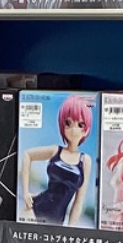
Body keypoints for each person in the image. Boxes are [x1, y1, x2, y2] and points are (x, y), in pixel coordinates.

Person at [22, 96, 94, 227]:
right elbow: (27, 155)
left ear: (86, 130)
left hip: (57, 221)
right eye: (68, 123)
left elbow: (78, 202)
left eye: (80, 125)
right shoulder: (55, 151)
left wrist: (71, 229)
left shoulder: (85, 161)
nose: (74, 129)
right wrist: (25, 192)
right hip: (34, 211)